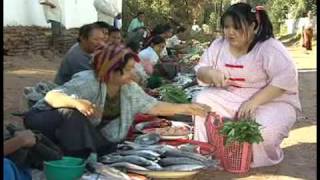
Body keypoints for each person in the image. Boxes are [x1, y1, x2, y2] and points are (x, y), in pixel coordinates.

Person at [23, 43, 211, 158]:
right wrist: (76, 103)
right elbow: (51, 96)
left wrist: (188, 108)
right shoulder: (88, 81)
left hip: (76, 130)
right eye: (128, 69)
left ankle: (83, 154)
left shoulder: (128, 88)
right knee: (73, 115)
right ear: (111, 70)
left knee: (104, 142)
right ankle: (77, 157)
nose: (133, 74)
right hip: (43, 120)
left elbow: (153, 105)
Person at [193, 3, 301, 168]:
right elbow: (200, 70)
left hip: (273, 101)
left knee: (263, 128)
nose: (230, 32)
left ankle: (255, 158)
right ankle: (203, 152)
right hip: (231, 98)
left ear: (253, 26)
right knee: (201, 98)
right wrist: (210, 73)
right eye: (227, 27)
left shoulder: (270, 47)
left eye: (237, 27)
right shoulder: (218, 45)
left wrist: (254, 102)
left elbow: (285, 80)